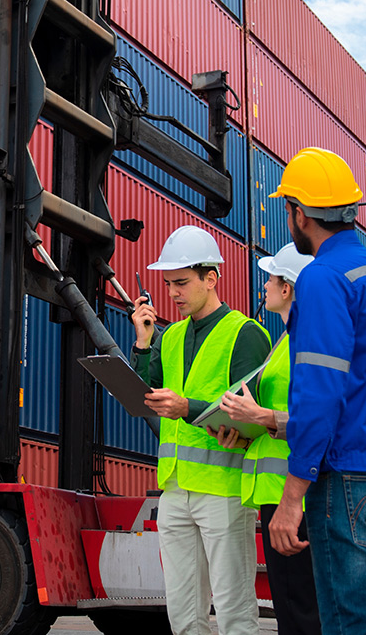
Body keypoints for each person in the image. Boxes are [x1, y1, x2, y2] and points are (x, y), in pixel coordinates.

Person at [266, 147, 366, 635]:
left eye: (288, 208)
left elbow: (320, 392)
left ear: (300, 213)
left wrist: (292, 496)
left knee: (351, 626)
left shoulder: (323, 278)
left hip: (347, 479)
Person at [131, 225, 271, 635]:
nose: (172, 293)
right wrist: (143, 343)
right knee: (183, 611)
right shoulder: (169, 336)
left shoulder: (245, 334)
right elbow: (145, 394)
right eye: (168, 284)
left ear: (211, 278)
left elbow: (253, 413)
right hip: (175, 489)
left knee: (233, 608)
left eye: (181, 283)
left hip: (223, 490)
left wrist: (185, 407)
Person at [218, 243, 321, 635]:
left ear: (288, 288)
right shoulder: (286, 340)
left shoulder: (307, 341)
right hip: (277, 492)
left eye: (271, 278)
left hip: (298, 495)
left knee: (302, 611)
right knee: (293, 609)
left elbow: (322, 418)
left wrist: (260, 416)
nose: (264, 286)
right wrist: (244, 432)